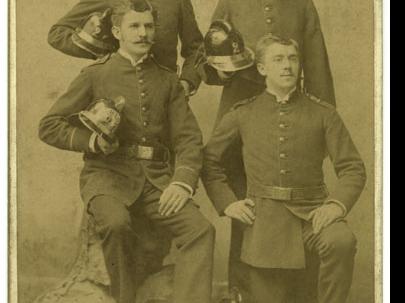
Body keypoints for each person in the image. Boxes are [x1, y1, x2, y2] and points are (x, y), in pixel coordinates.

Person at [39, 1, 215, 303]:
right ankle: (125, 298)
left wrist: (181, 182)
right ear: (117, 31)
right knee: (115, 223)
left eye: (148, 26)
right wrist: (91, 142)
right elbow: (49, 125)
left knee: (200, 229)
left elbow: (188, 138)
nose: (143, 33)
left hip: (157, 180)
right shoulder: (96, 75)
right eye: (134, 26)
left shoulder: (168, 80)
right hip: (107, 176)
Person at [202, 34, 366, 303]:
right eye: (278, 59)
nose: (287, 66)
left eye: (292, 58)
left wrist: (335, 205)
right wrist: (228, 203)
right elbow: (209, 160)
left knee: (341, 241)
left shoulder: (323, 114)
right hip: (265, 221)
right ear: (262, 68)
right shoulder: (244, 113)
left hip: (312, 212)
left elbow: (353, 168)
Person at [47, 0, 204, 97]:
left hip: (164, 93)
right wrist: (102, 50)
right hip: (115, 90)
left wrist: (187, 82)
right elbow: (57, 34)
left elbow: (196, 47)